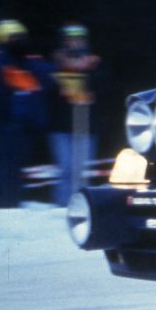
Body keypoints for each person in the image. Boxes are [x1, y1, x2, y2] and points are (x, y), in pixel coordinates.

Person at [0, 20, 55, 208]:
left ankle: (14, 203)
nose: (20, 41)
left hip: (24, 125)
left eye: (21, 37)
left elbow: (47, 79)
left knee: (18, 166)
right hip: (2, 124)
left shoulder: (30, 63)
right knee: (4, 166)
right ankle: (4, 204)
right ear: (2, 40)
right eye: (14, 37)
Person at [50, 23, 103, 207]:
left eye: (78, 40)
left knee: (81, 172)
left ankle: (81, 207)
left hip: (85, 122)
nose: (75, 43)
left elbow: (104, 88)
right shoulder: (56, 64)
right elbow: (49, 91)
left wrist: (88, 70)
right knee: (65, 169)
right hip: (61, 124)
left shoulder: (95, 64)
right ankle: (61, 207)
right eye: (70, 40)